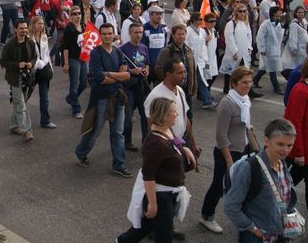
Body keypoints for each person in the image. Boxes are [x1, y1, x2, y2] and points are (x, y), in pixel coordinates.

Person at [116, 98, 195, 243]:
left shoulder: (165, 128)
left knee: (145, 226)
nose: (177, 114)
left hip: (168, 193)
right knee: (164, 236)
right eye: (174, 111)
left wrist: (184, 149)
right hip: (161, 196)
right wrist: (152, 204)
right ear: (164, 116)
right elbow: (148, 176)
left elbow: (173, 140)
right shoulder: (154, 143)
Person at [200, 67, 255, 234]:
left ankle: (246, 215)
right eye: (244, 82)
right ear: (234, 83)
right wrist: (229, 160)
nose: (248, 85)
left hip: (243, 148)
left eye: (250, 82)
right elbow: (221, 136)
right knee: (219, 185)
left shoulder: (244, 99)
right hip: (228, 152)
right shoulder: (227, 104)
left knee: (244, 184)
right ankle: (206, 216)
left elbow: (246, 126)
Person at [225, 118, 298, 243]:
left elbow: (285, 198)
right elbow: (231, 206)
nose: (286, 150)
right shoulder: (249, 167)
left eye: (289, 145)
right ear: (267, 141)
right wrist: (253, 230)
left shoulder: (282, 162)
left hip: (280, 233)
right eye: (280, 144)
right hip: (257, 237)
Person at [75, 23, 132, 177]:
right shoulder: (96, 53)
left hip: (118, 97)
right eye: (104, 34)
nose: (107, 36)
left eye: (110, 33)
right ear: (100, 35)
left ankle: (119, 165)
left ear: (114, 34)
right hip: (101, 98)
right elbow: (100, 79)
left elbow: (126, 74)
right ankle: (81, 151)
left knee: (118, 132)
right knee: (96, 129)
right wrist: (117, 76)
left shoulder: (118, 52)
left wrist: (110, 74)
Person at [0, 19, 37, 141]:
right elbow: (3, 61)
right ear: (16, 29)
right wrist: (17, 65)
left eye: (25, 28)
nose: (24, 30)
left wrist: (31, 63)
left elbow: (34, 57)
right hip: (15, 78)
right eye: (21, 28)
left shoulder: (30, 42)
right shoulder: (10, 44)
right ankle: (27, 130)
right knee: (20, 103)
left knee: (22, 102)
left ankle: (14, 125)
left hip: (27, 77)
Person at [119, 22, 150, 150]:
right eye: (135, 32)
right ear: (130, 33)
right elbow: (120, 69)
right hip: (129, 86)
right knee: (128, 116)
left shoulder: (144, 47)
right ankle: (127, 142)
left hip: (142, 85)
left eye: (140, 32)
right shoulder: (123, 49)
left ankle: (146, 141)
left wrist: (147, 69)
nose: (138, 35)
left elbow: (147, 63)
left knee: (145, 115)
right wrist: (131, 71)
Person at [155, 24, 197, 118]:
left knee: (188, 117)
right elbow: (159, 69)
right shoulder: (167, 51)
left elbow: (192, 70)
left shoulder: (188, 50)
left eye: (183, 34)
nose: (181, 36)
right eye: (179, 34)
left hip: (186, 90)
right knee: (174, 117)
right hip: (173, 90)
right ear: (173, 35)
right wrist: (170, 84)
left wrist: (193, 86)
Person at [284, 61, 308, 208]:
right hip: (303, 150)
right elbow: (295, 123)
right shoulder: (301, 90)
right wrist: (299, 152)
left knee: (289, 181)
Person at [186, 12, 218, 109]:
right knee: (200, 80)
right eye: (200, 19)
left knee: (201, 80)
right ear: (194, 20)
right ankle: (207, 101)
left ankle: (205, 98)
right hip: (192, 59)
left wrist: (205, 58)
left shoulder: (201, 31)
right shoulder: (188, 31)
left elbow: (203, 45)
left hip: (200, 60)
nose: (202, 21)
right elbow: (186, 45)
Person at [29, 16, 56, 129]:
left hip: (44, 70)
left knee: (44, 98)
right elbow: (28, 55)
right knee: (25, 96)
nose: (41, 26)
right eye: (39, 23)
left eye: (42, 23)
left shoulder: (44, 36)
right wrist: (36, 63)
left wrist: (49, 66)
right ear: (33, 24)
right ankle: (18, 118)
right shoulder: (28, 38)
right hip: (32, 70)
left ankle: (45, 120)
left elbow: (46, 53)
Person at [62, 6, 87, 118]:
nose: (78, 16)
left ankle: (70, 98)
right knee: (75, 84)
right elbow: (65, 47)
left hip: (83, 58)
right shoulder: (69, 28)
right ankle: (76, 109)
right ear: (71, 16)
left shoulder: (84, 26)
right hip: (73, 59)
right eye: (75, 14)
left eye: (79, 13)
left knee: (84, 83)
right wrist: (66, 63)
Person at [254, 6, 284, 95]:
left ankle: (255, 80)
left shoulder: (277, 23)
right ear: (274, 13)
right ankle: (276, 87)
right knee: (272, 69)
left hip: (275, 49)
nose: (281, 12)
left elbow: (278, 36)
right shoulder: (266, 24)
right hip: (268, 49)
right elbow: (260, 37)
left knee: (265, 67)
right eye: (279, 11)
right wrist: (261, 48)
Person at [141, 5, 169, 86]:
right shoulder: (144, 28)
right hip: (148, 66)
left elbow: (165, 46)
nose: (159, 16)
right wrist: (144, 64)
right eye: (157, 14)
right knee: (145, 89)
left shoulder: (163, 29)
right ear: (150, 15)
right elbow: (141, 48)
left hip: (160, 65)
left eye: (161, 14)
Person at [281, 6, 308, 79]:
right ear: (295, 13)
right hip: (299, 49)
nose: (301, 14)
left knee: (302, 65)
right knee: (298, 66)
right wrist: (293, 49)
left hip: (304, 48)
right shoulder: (294, 24)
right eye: (299, 12)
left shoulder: (304, 21)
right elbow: (293, 37)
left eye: (302, 12)